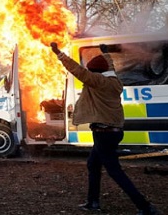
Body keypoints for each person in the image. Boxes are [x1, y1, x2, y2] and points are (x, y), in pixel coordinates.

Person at [51, 42, 159, 215]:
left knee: (114, 171)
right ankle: (93, 202)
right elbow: (110, 66)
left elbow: (78, 71)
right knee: (93, 164)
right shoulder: (114, 80)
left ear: (97, 73)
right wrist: (105, 53)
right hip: (112, 131)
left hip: (104, 133)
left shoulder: (99, 82)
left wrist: (59, 54)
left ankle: (144, 206)